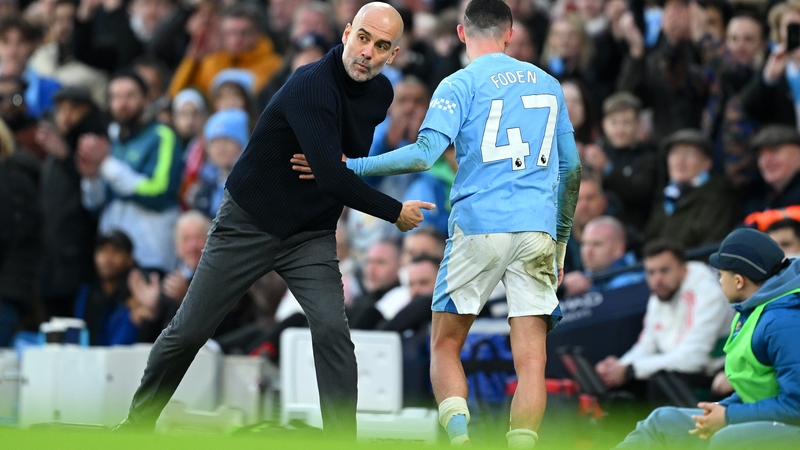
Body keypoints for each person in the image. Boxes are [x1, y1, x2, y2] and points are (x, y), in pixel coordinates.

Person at [113, 2, 432, 438]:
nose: (367, 52)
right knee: (189, 331)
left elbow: (346, 161)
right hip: (249, 221)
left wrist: (330, 164)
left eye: (381, 46)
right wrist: (393, 211)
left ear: (393, 55)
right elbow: (336, 178)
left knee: (333, 332)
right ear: (345, 34)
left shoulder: (381, 95)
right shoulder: (311, 84)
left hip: (310, 233)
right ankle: (136, 426)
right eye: (362, 37)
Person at [293, 0, 581, 446]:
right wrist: (560, 243)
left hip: (479, 226)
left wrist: (353, 166)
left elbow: (423, 155)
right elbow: (573, 171)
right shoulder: (550, 85)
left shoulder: (458, 83)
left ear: (462, 35)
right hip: (538, 230)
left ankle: (461, 441)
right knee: (532, 363)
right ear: (509, 34)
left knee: (445, 345)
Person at [613, 229, 800, 449]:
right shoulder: (750, 310)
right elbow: (757, 390)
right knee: (662, 420)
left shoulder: (783, 321)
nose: (718, 281)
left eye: (721, 275)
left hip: (790, 427)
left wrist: (729, 415)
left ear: (739, 281)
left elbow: (795, 406)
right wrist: (720, 409)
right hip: (762, 416)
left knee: (725, 440)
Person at [77, 71, 184, 273]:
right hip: (113, 257)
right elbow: (96, 207)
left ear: (146, 99)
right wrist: (90, 179)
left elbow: (159, 191)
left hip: (150, 255)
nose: (122, 103)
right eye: (116, 97)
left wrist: (106, 165)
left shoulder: (163, 135)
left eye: (130, 95)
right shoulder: (112, 140)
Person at [595, 240, 731, 397]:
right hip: (681, 369)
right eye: (651, 273)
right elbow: (647, 345)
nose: (657, 279)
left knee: (655, 383)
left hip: (716, 372)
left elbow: (694, 359)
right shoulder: (660, 295)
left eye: (664, 271)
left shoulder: (708, 293)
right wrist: (618, 366)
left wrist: (631, 369)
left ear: (684, 270)